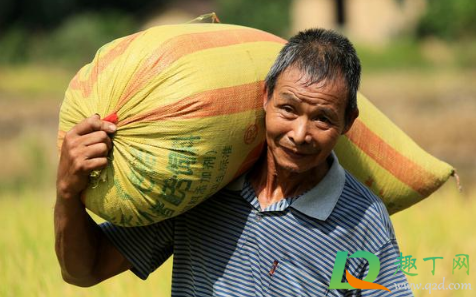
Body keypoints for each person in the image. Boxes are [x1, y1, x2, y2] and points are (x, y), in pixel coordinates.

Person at [55, 28, 413, 296]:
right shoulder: (201, 183)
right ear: (265, 98)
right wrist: (68, 191)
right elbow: (86, 270)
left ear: (348, 122)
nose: (300, 134)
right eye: (288, 109)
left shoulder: (361, 218)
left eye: (322, 118)